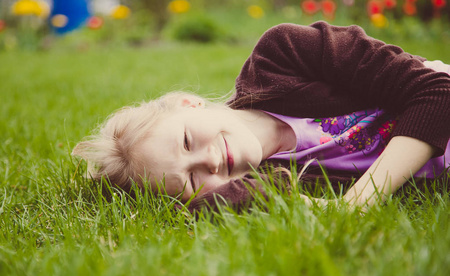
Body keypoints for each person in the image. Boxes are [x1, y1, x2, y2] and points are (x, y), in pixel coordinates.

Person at [73, 21, 450, 213]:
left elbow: (436, 91)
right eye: (190, 178)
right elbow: (220, 205)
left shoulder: (282, 55)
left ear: (189, 104)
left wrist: (358, 203)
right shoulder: (263, 184)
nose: (209, 160)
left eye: (187, 141)